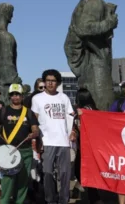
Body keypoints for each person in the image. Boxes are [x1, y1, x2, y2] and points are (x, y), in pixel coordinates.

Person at [31, 70, 76, 204]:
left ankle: (64, 200)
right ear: (44, 82)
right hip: (47, 141)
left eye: (53, 80)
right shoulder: (37, 98)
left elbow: (71, 117)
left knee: (64, 175)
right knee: (48, 173)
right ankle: (50, 200)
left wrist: (72, 131)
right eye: (48, 80)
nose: (50, 83)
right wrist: (36, 138)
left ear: (58, 83)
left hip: (64, 141)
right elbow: (35, 120)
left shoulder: (64, 98)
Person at [0, 84, 40, 204]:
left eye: (17, 94)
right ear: (10, 96)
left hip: (25, 151)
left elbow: (35, 129)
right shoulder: (3, 111)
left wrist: (33, 133)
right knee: (7, 181)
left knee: (23, 182)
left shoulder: (28, 112)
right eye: (13, 94)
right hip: (7, 151)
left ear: (22, 96)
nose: (15, 97)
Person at [71, 89, 99, 204]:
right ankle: (92, 196)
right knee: (84, 170)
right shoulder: (94, 110)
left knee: (82, 170)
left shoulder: (84, 111)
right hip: (89, 145)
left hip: (86, 146)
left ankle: (94, 197)